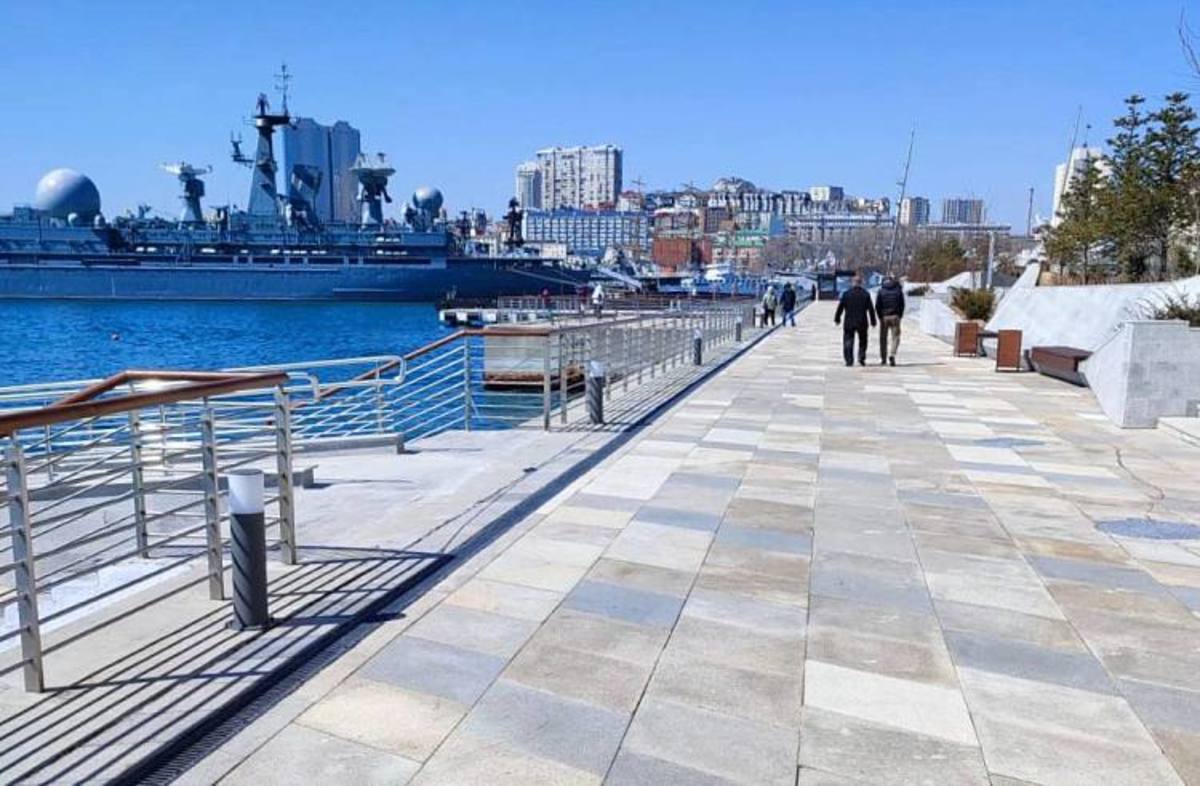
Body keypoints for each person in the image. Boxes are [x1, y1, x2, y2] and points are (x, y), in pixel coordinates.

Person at [834, 274, 876, 367]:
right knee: (863, 340)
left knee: (848, 340)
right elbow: (871, 309)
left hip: (849, 321)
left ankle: (849, 360)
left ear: (852, 283)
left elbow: (840, 307)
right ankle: (861, 357)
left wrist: (837, 318)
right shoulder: (865, 294)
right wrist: (873, 321)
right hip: (862, 321)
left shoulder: (846, 294)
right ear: (861, 283)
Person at [875, 275, 905, 366]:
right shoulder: (898, 291)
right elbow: (902, 304)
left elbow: (877, 305)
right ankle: (892, 354)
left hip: (884, 317)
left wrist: (880, 316)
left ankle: (883, 358)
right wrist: (900, 315)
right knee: (895, 337)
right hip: (895, 316)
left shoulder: (881, 291)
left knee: (883, 338)